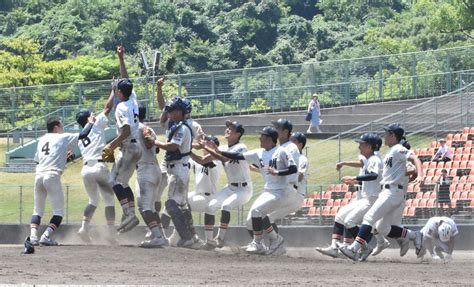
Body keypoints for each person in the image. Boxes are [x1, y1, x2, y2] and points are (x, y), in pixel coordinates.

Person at [340, 123, 424, 261]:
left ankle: (354, 249)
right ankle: (415, 235)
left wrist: (420, 175)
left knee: (369, 218)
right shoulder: (390, 151)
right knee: (382, 227)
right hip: (388, 190)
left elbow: (415, 158)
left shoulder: (398, 148)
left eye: (387, 133)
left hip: (392, 191)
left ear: (393, 135)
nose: (384, 135)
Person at [208, 127, 297, 255]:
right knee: (251, 219)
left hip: (282, 191)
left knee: (257, 211)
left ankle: (258, 243)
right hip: (269, 190)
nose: (259, 138)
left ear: (268, 139)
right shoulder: (259, 152)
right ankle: (276, 240)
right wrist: (217, 151)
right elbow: (238, 156)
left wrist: (278, 172)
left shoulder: (281, 151)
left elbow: (293, 168)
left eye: (262, 136)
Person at [316, 133, 383, 261]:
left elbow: (373, 176)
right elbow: (369, 179)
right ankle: (334, 247)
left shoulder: (375, 159)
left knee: (350, 221)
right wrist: (356, 181)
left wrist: (354, 178)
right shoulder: (369, 160)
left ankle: (364, 247)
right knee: (340, 215)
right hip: (365, 197)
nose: (359, 147)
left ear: (369, 147)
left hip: (372, 199)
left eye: (361, 144)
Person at [29, 116, 94, 246]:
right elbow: (83, 134)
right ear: (56, 126)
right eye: (61, 125)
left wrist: (63, 158)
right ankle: (46, 236)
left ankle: (33, 237)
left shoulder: (41, 140)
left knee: (37, 211)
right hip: (52, 175)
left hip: (39, 175)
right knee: (58, 212)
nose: (63, 128)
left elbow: (38, 160)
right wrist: (90, 122)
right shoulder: (61, 137)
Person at [103, 45, 142, 234]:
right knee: (118, 182)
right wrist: (121, 59)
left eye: (116, 88)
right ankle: (130, 214)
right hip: (133, 147)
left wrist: (111, 145)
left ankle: (129, 214)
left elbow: (125, 131)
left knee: (117, 183)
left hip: (129, 147)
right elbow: (126, 80)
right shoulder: (132, 99)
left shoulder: (121, 108)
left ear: (119, 92)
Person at [198, 120, 253, 249]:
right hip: (230, 187)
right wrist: (189, 148)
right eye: (227, 127)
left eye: (232, 128)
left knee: (226, 206)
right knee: (210, 207)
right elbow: (202, 160)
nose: (227, 129)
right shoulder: (222, 148)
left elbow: (224, 158)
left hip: (244, 189)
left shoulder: (241, 147)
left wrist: (206, 147)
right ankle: (209, 241)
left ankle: (220, 239)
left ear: (238, 134)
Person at [75, 90, 117, 244]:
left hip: (86, 169)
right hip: (99, 166)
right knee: (109, 201)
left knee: (93, 201)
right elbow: (107, 107)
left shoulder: (81, 137)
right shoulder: (95, 123)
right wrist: (113, 90)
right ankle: (111, 233)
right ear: (88, 117)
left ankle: (83, 228)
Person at [153, 96, 194, 248]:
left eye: (172, 110)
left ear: (180, 112)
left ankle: (187, 238)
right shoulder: (175, 124)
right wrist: (166, 107)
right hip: (176, 169)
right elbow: (162, 119)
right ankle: (193, 237)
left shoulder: (182, 128)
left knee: (171, 205)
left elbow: (172, 147)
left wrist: (154, 142)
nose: (169, 112)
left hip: (178, 170)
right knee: (182, 206)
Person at [135, 105, 166, 248]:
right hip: (155, 168)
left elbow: (148, 145)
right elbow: (157, 149)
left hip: (145, 170)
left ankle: (158, 236)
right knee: (151, 208)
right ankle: (160, 234)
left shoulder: (137, 128)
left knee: (144, 207)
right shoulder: (148, 128)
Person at [188, 136, 222, 214]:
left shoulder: (216, 160)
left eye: (207, 142)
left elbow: (204, 161)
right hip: (196, 194)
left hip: (209, 198)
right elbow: (188, 164)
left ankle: (187, 225)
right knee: (172, 202)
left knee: (182, 205)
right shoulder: (197, 160)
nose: (204, 143)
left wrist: (188, 149)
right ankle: (161, 225)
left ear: (214, 146)